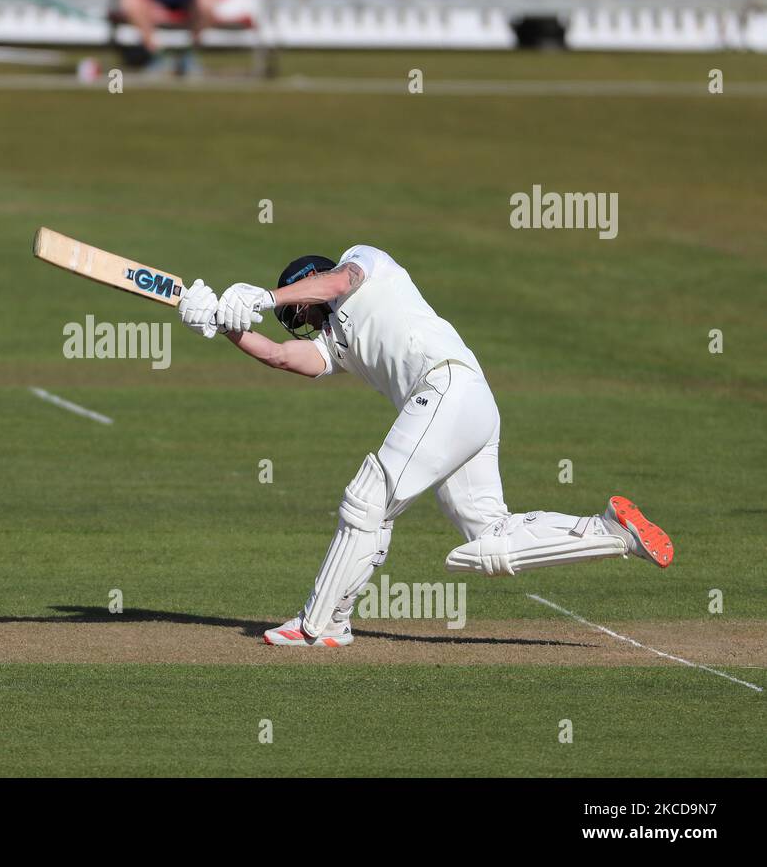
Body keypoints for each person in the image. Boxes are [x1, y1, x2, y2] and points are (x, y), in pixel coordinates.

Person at [177, 245, 674, 647]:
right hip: (467, 406)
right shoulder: (337, 343)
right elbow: (286, 358)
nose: (308, 320)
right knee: (490, 538)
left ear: (308, 283)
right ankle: (611, 532)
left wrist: (265, 297)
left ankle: (321, 624)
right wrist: (226, 325)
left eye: (302, 309)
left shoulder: (366, 264)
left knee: (368, 499)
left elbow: (337, 283)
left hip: (447, 388)